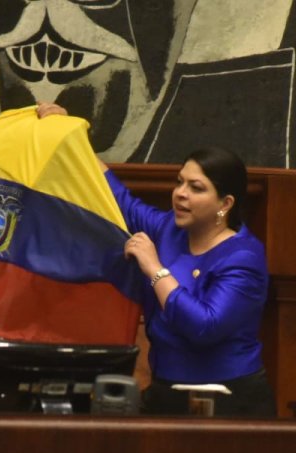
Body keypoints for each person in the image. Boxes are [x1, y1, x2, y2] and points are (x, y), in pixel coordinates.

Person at [35, 101, 274, 417]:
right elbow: (117, 198)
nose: (180, 193)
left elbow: (204, 327)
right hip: (166, 394)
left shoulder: (244, 256)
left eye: (196, 187)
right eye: (180, 182)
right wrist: (70, 136)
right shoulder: (168, 230)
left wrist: (154, 268)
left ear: (225, 203)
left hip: (229, 402)